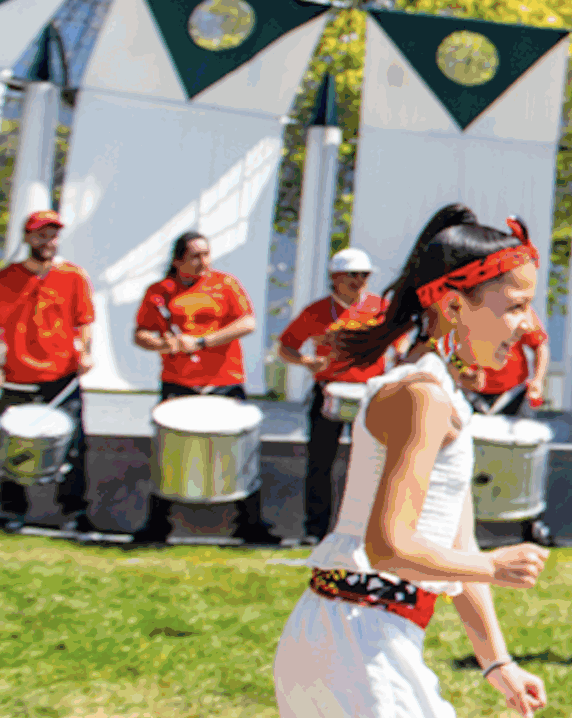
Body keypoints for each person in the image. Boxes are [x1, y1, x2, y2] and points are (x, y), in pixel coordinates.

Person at [273, 204, 550, 718]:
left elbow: (458, 543)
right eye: (516, 306)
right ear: (453, 304)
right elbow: (388, 546)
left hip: (351, 635)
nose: (528, 324)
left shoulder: (438, 394)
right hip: (359, 644)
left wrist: (498, 663)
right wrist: (493, 566)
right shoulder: (422, 395)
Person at [131, 231, 280, 546]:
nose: (204, 262)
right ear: (178, 261)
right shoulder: (160, 292)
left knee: (239, 450)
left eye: (206, 254)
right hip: (179, 381)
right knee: (169, 451)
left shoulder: (225, 284)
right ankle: (158, 524)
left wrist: (202, 341)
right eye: (195, 256)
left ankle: (250, 523)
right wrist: (165, 344)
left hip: (223, 380)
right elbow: (141, 334)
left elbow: (247, 323)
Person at [275, 247, 396, 546]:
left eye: (364, 275)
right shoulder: (317, 311)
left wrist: (400, 363)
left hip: (369, 392)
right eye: (352, 274)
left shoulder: (380, 307)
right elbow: (286, 346)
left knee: (370, 461)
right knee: (320, 462)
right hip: (329, 391)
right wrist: (306, 362)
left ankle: (366, 528)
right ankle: (315, 530)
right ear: (335, 277)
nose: (359, 280)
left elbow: (400, 341)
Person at [0, 210, 96, 535]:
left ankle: (74, 513)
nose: (48, 241)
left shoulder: (73, 276)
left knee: (73, 448)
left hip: (62, 377)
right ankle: (10, 511)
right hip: (18, 377)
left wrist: (85, 352)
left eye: (53, 235)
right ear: (28, 237)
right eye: (41, 235)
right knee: (13, 446)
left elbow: (84, 320)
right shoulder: (7, 278)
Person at [461, 310, 551, 547]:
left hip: (513, 392)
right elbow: (448, 345)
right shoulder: (468, 306)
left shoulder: (521, 311)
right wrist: (462, 371)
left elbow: (540, 346)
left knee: (525, 458)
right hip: (473, 392)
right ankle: (462, 526)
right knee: (464, 456)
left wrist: (538, 380)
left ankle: (532, 523)